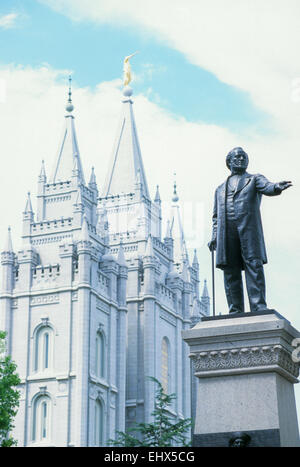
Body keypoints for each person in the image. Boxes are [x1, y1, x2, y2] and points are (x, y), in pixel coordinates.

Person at [208, 147, 292, 314]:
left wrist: (276, 187)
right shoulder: (220, 189)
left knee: (254, 266)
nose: (241, 159)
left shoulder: (254, 179)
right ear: (229, 162)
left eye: (244, 157)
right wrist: (214, 236)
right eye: (237, 157)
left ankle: (258, 306)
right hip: (227, 233)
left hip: (248, 231)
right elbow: (216, 217)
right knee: (230, 271)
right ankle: (235, 309)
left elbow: (267, 187)